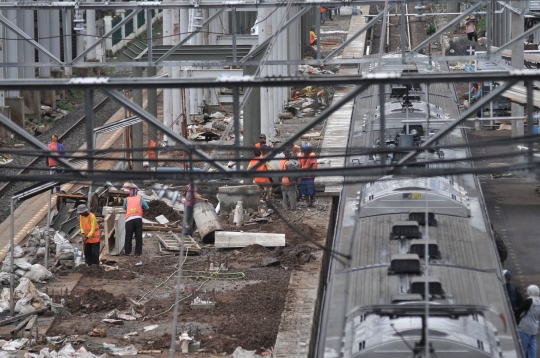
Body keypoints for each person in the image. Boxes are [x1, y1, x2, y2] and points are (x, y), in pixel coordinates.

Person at [123, 186, 149, 256]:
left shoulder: (126, 199)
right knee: (138, 236)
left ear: (130, 192)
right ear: (136, 192)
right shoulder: (140, 198)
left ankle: (128, 252)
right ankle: (138, 252)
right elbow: (146, 207)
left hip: (129, 220)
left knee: (128, 236)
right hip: (138, 219)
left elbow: (124, 207)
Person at [515, 285, 540, 358]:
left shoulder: (529, 301)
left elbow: (519, 310)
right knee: (532, 347)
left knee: (523, 348)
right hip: (534, 328)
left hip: (524, 327)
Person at [298, 143, 318, 207]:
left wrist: (301, 169)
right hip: (303, 176)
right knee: (305, 190)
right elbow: (299, 165)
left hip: (310, 176)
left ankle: (312, 202)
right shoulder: (301, 156)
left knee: (311, 190)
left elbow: (310, 166)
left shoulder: (312, 156)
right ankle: (308, 202)